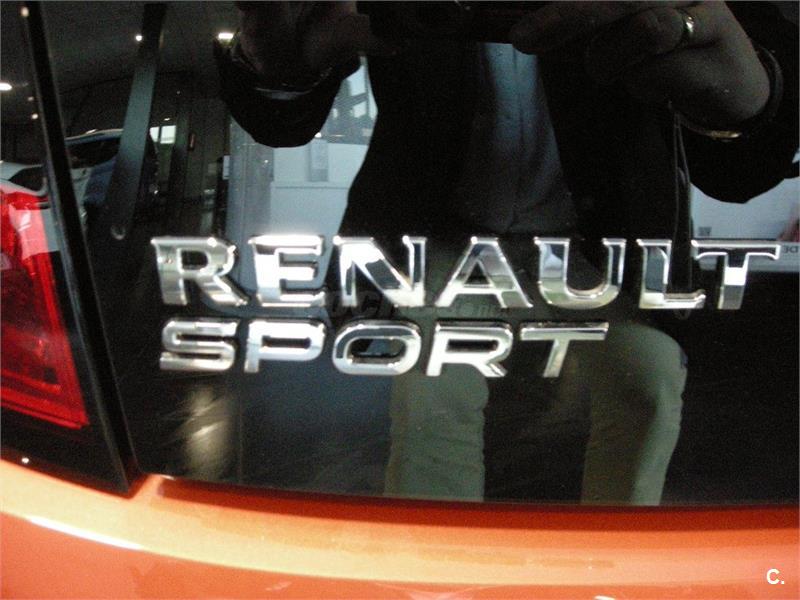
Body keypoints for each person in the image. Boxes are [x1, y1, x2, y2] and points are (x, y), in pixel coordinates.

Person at [216, 1, 798, 503]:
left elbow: (745, 138)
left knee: (646, 385)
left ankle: (614, 558)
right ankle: (435, 566)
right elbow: (281, 105)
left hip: (597, 240)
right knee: (431, 401)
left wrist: (752, 92)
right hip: (452, 236)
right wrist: (277, 63)